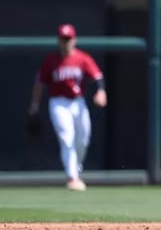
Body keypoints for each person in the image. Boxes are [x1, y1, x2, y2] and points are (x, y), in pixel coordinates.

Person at [28, 23, 107, 191]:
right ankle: (72, 177)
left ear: (74, 39)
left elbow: (97, 76)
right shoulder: (51, 61)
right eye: (63, 39)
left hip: (78, 102)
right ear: (58, 40)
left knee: (83, 139)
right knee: (67, 137)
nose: (66, 42)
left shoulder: (82, 58)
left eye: (68, 39)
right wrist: (34, 107)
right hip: (58, 103)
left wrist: (101, 91)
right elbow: (39, 84)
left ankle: (76, 168)